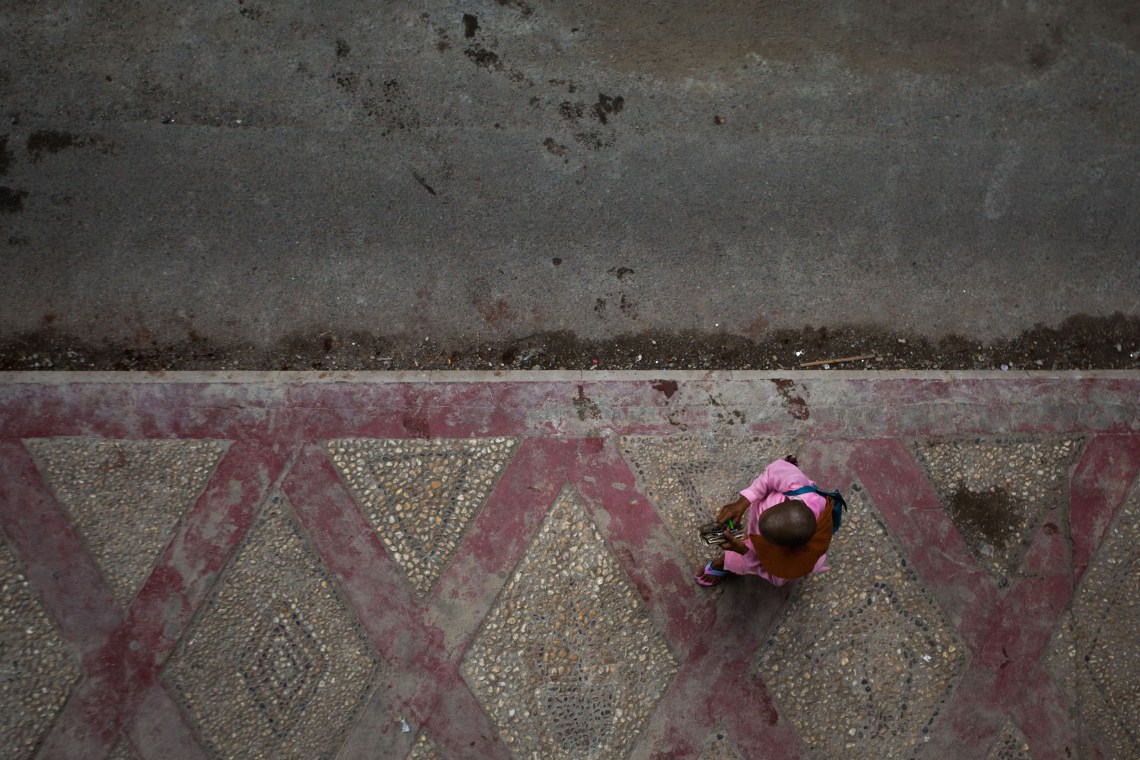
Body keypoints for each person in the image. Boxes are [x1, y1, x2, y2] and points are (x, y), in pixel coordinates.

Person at [695, 455, 838, 587]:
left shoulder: (792, 561)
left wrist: (744, 550)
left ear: (786, 548)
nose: (757, 535)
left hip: (765, 552)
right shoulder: (797, 487)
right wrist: (743, 502)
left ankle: (724, 563)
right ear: (788, 500)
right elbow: (773, 472)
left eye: (763, 536)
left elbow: (775, 574)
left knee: (743, 560)